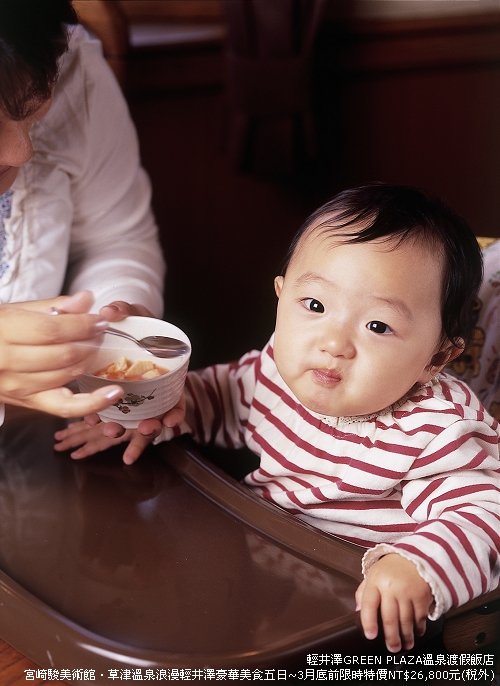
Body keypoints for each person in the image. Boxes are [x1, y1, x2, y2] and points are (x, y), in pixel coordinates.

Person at [54, 183, 500, 654]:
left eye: (378, 326)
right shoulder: (278, 370)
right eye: (314, 306)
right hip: (266, 576)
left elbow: (484, 515)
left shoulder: (438, 427)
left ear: (436, 357)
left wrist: (418, 566)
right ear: (281, 297)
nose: (333, 342)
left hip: (360, 619)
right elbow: (221, 398)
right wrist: (146, 413)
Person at [0, 0, 165, 422]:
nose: (23, 151)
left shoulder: (71, 66)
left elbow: (116, 240)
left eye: (34, 107)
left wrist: (117, 313)